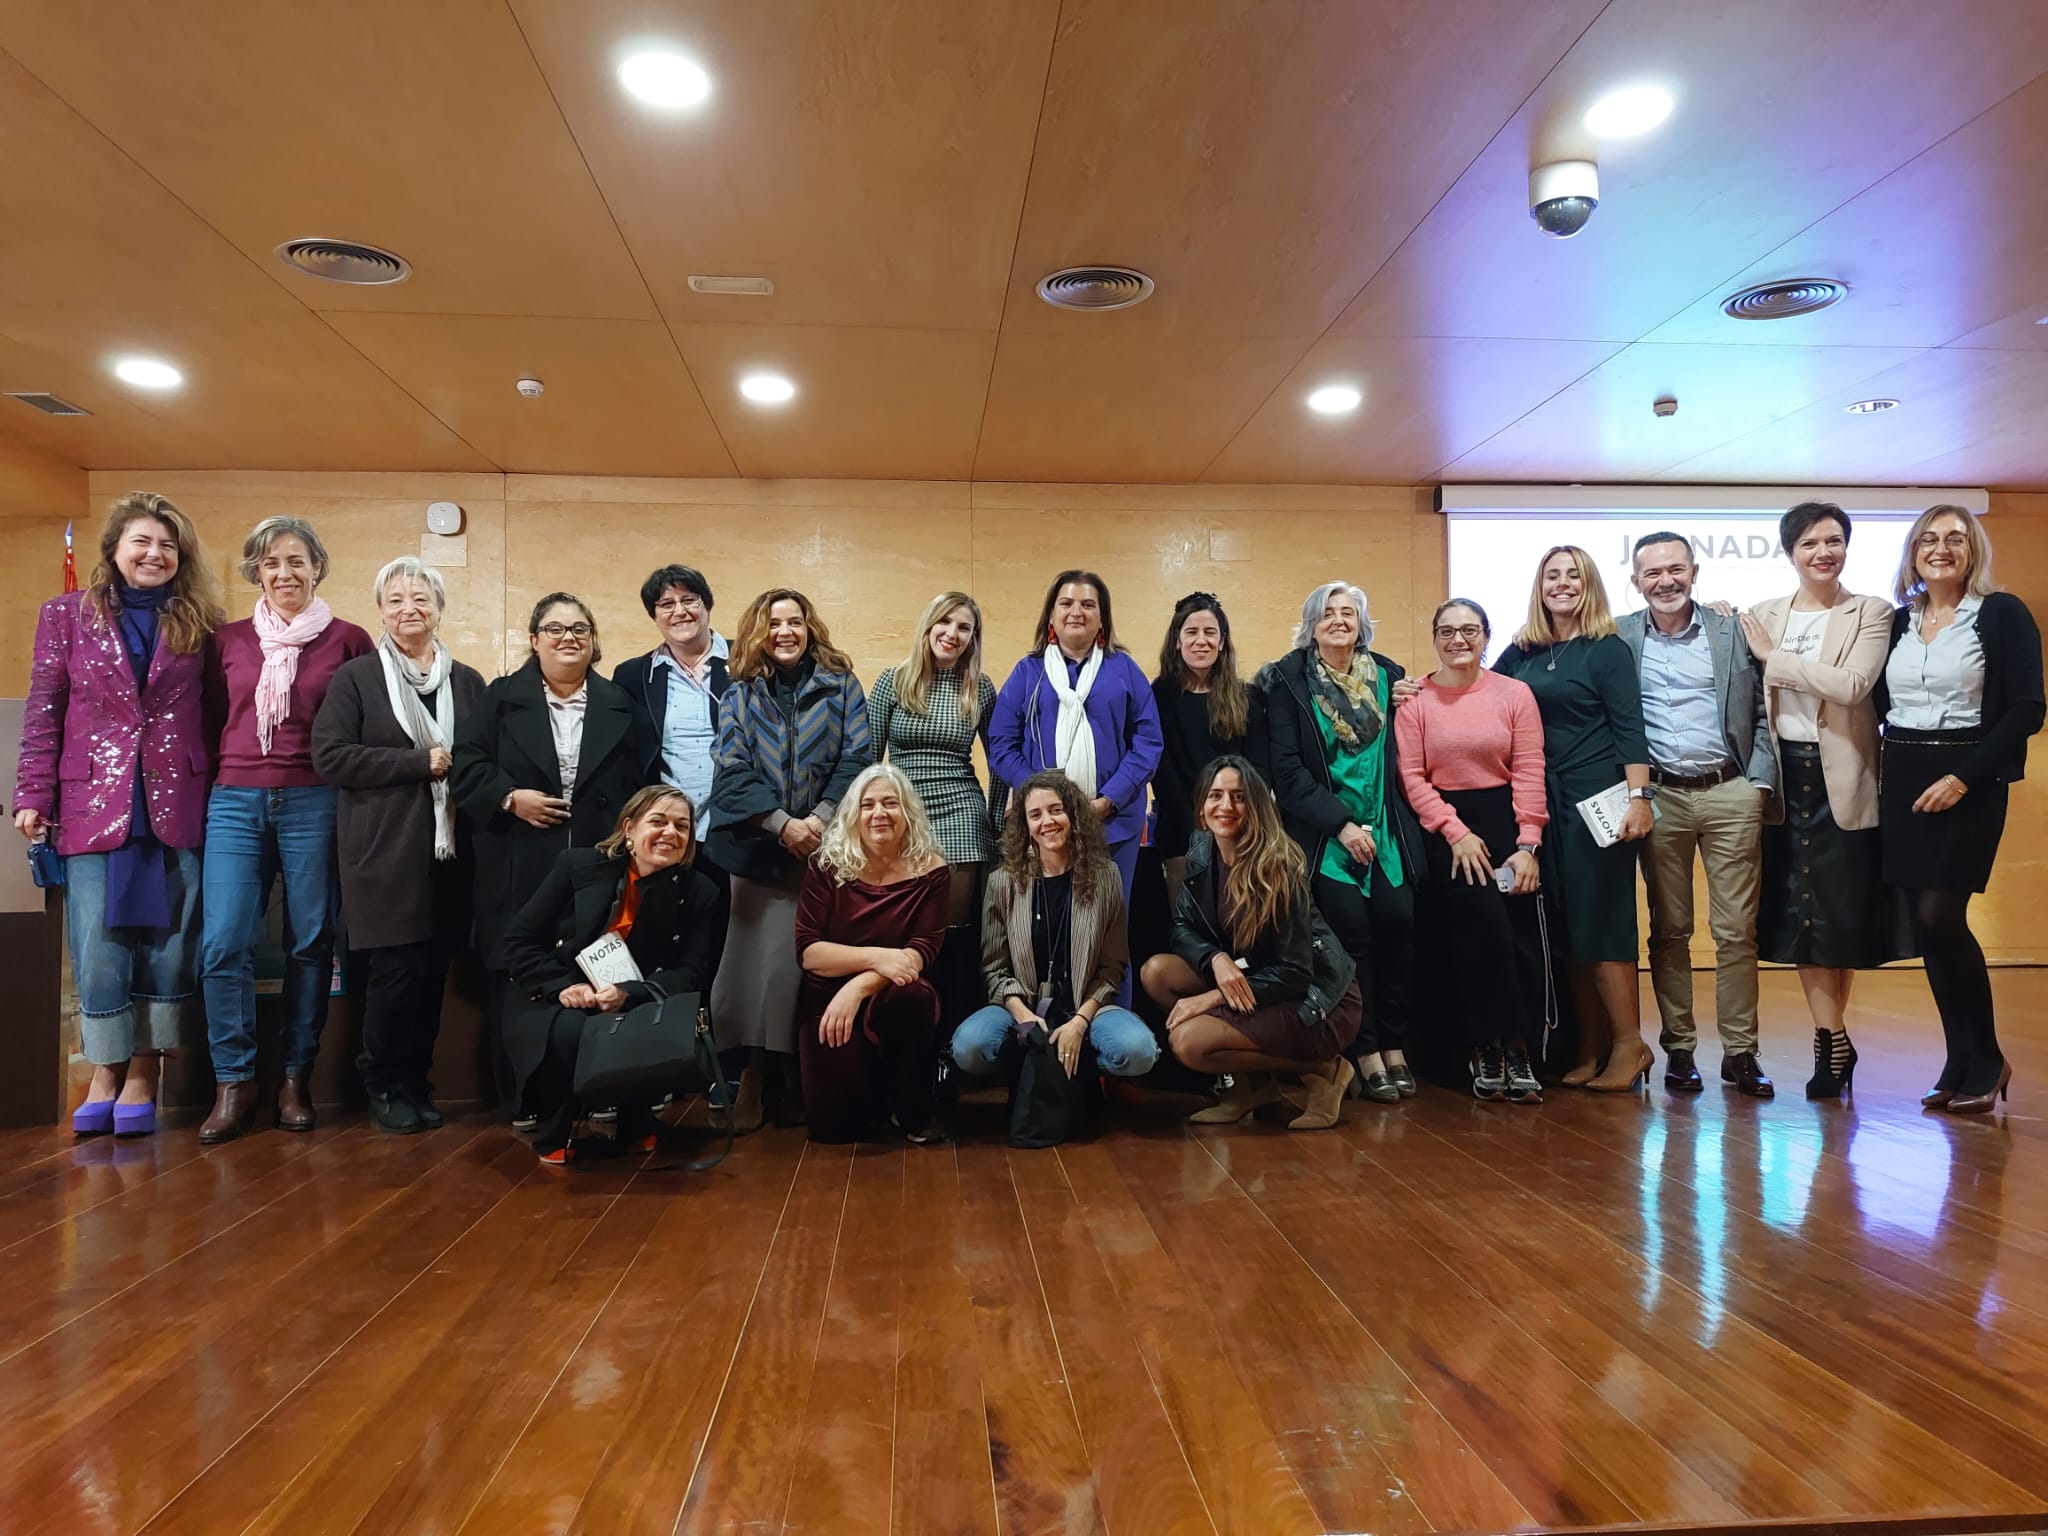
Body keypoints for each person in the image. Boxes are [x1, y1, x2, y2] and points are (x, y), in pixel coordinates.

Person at [14, 493, 223, 1137]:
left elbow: (216, 715)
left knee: (168, 947)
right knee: (99, 949)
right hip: (93, 802)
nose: (154, 553)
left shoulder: (203, 623)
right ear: (114, 548)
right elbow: (44, 708)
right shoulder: (65, 616)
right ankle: (105, 1068)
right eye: (141, 541)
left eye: (166, 543)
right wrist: (32, 793)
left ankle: (145, 1071)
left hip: (177, 801)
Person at [197, 516, 373, 1142]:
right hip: (235, 800)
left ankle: (295, 1077)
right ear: (256, 573)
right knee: (222, 942)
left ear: (317, 568)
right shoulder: (227, 641)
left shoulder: (349, 640)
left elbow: (361, 725)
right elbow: (215, 719)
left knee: (310, 942)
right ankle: (233, 1081)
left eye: (297, 561)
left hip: (314, 801)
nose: (284, 573)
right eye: (271, 563)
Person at [451, 593, 652, 1118]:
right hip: (518, 858)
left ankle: (601, 1092)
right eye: (556, 629)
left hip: (595, 860)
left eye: (580, 629)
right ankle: (527, 1099)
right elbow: (464, 766)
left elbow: (639, 783)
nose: (568, 638)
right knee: (521, 976)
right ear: (534, 640)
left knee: (597, 971)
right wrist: (509, 797)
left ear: (594, 642)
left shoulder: (618, 704)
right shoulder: (500, 698)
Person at [1874, 504, 2042, 1115]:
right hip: (1904, 777)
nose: (1940, 548)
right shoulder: (1899, 620)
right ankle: (1958, 1060)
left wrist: (1963, 779)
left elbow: (2027, 709)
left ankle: (1989, 1057)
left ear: (1973, 549)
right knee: (1926, 926)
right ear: (1912, 551)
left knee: (1943, 913)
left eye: (1954, 538)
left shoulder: (2001, 613)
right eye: (1928, 538)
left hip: (1968, 776)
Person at [311, 556, 486, 1133]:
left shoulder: (466, 681)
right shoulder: (357, 678)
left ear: (439, 609)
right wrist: (417, 763)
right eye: (395, 600)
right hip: (383, 852)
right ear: (380, 611)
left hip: (449, 852)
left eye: (421, 599)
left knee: (433, 972)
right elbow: (330, 756)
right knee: (395, 976)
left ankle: (417, 1080)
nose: (408, 609)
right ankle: (383, 1082)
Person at [1738, 503, 1903, 1100]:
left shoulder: (1871, 612)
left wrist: (1774, 661)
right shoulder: (1763, 615)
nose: (1823, 552)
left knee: (1838, 914)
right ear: (1790, 552)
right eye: (1810, 543)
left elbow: (1854, 686)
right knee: (1800, 915)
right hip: (1783, 779)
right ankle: (1830, 1037)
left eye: (1834, 541)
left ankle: (1831, 1040)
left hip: (1845, 777)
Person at [1618, 531, 1780, 1098]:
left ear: (1694, 571)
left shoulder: (1731, 630)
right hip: (1658, 797)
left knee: (1736, 931)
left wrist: (1758, 782)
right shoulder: (1617, 635)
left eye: (1676, 568)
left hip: (1730, 790)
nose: (1665, 580)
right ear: (1635, 580)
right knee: (1669, 930)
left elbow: (1764, 707)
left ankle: (1741, 1052)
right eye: (1652, 572)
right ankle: (1680, 1051)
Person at [705, 588, 873, 1132]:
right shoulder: (739, 693)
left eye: (794, 621)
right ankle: (754, 1076)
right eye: (773, 622)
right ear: (758, 630)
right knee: (751, 968)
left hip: (829, 849)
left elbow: (859, 757)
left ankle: (802, 1076)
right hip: (758, 849)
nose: (784, 631)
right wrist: (783, 826)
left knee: (803, 968)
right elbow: (730, 769)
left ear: (809, 628)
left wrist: (819, 821)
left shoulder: (841, 685)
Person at [1494, 548, 1655, 1093]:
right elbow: (1478, 692)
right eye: (1552, 576)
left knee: (1602, 923)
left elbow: (1630, 727)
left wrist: (1640, 798)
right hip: (1544, 806)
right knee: (1564, 927)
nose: (1562, 585)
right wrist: (1414, 688)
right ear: (1539, 586)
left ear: (1590, 585)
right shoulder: (1523, 651)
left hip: (1599, 801)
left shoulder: (1606, 649)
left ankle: (1631, 1045)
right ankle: (1590, 1045)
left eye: (1573, 576)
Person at [500, 786, 725, 1163]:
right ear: (629, 829)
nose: (671, 833)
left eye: (682, 827)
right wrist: (563, 987)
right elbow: (519, 940)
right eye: (658, 821)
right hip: (557, 993)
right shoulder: (577, 865)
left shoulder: (701, 891)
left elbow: (692, 972)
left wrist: (630, 992)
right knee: (573, 1029)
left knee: (633, 1023)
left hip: (638, 997)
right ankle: (555, 1127)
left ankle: (636, 1122)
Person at [1139, 757, 1361, 1129]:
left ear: (1256, 805)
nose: (1226, 807)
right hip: (1253, 978)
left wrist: (1213, 996)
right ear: (1202, 806)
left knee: (1188, 1042)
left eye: (1239, 797)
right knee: (1157, 973)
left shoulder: (1279, 866)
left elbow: (1295, 972)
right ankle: (1253, 1090)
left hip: (1317, 1000)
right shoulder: (1200, 848)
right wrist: (1215, 959)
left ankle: (1327, 1070)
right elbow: (1182, 926)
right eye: (1216, 795)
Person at [1264, 580, 1422, 1102]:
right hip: (1328, 837)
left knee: (1399, 926)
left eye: (1348, 612)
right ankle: (1367, 1051)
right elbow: (1286, 773)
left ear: (1361, 623)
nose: (1338, 620)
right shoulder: (1287, 682)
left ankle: (1397, 1043)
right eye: (1327, 612)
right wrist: (1342, 826)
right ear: (1311, 624)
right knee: (1354, 938)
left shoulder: (1389, 677)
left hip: (1387, 832)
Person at [1396, 600, 1552, 1103]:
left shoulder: (1515, 693)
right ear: (1434, 638)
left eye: (1469, 630)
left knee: (1518, 937)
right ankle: (1484, 1044)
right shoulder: (1415, 700)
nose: (1457, 639)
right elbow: (1412, 777)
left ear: (1486, 635)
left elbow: (1529, 769)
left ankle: (1519, 1048)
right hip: (1445, 830)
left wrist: (1528, 843)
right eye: (1446, 630)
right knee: (1477, 932)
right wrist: (1455, 832)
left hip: (1506, 824)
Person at [988, 569, 1162, 1005]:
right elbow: (1001, 743)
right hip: (1042, 832)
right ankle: (1042, 1035)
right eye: (1066, 603)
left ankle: (1108, 1035)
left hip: (1113, 826)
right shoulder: (1027, 673)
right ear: (1051, 614)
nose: (1077, 612)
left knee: (1109, 938)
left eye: (1088, 604)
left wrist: (1107, 800)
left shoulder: (1125, 670)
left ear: (1102, 619)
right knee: (1044, 933)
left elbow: (1147, 741)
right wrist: (1041, 800)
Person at [951, 769, 1160, 1091]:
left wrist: (1079, 1023)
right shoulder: (1002, 882)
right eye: (1035, 814)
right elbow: (994, 969)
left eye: (1056, 810)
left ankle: (1076, 1068)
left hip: (1084, 1009)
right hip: (1022, 1009)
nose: (1047, 821)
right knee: (969, 1047)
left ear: (1073, 815)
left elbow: (1112, 969)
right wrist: (1023, 1014)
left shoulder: (1106, 877)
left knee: (1139, 1051)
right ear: (1026, 826)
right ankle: (1033, 1065)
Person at [794, 763, 949, 1143]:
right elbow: (809, 951)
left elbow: (921, 952)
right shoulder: (826, 865)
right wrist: (877, 959)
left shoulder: (932, 870)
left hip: (895, 990)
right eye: (868, 805)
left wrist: (860, 986)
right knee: (832, 1130)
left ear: (907, 812)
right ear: (854, 815)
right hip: (828, 997)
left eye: (890, 803)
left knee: (911, 997)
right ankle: (873, 1098)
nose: (879, 813)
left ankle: (908, 1108)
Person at [867, 591, 998, 1023]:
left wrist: (996, 823)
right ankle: (910, 1022)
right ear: (929, 626)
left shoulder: (981, 688)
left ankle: (952, 1036)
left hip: (961, 810)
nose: (952, 634)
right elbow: (868, 759)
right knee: (905, 926)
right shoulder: (893, 680)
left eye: (964, 628)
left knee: (954, 934)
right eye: (945, 623)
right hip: (902, 813)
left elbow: (999, 762)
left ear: (973, 638)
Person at [1151, 591, 1267, 909]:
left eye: (1210, 632)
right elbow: (1162, 772)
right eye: (1191, 632)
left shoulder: (1248, 697)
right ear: (1177, 640)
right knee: (1189, 931)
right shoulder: (1159, 696)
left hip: (1240, 829)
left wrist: (1232, 820)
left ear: (1222, 640)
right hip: (1181, 833)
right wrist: (1201, 828)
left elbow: (1258, 771)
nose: (1201, 641)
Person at [610, 564, 728, 839]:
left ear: (706, 606)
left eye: (689, 600)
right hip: (668, 831)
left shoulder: (748, 661)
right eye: (666, 604)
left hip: (738, 827)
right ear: (655, 616)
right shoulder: (634, 675)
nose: (679, 611)